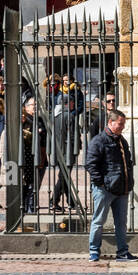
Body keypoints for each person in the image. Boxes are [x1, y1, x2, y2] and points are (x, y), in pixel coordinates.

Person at [85, 108, 138, 263]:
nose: (122, 127)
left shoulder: (122, 141)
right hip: (105, 189)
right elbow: (90, 164)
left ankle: (122, 252)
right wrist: (101, 182)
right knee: (98, 221)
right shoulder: (99, 140)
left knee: (121, 223)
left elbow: (127, 163)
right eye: (120, 124)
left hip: (121, 188)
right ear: (110, 122)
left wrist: (128, 183)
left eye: (123, 124)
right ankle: (94, 251)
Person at [52, 79, 83, 211]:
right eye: (71, 102)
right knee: (63, 176)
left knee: (63, 176)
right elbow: (74, 136)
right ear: (66, 103)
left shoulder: (54, 116)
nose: (73, 104)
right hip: (68, 151)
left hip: (57, 151)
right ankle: (54, 201)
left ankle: (71, 202)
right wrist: (77, 147)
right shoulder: (69, 116)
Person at [21, 95, 47, 215]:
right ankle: (27, 206)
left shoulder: (40, 120)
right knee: (29, 183)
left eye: (36, 105)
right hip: (29, 157)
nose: (35, 107)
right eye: (33, 105)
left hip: (41, 155)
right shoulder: (26, 121)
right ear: (26, 108)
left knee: (37, 183)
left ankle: (32, 205)